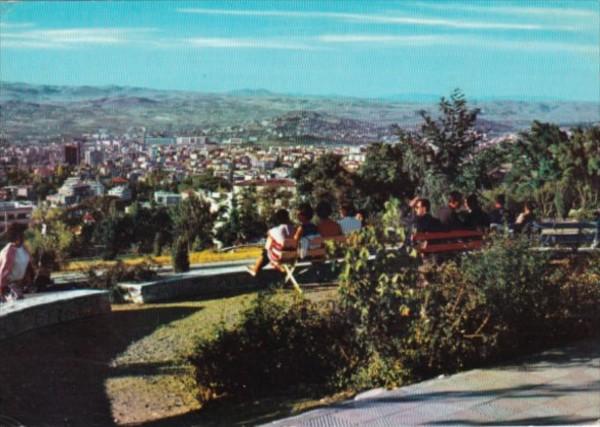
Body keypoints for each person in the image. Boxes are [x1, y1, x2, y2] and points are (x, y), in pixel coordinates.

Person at [246, 209, 295, 277]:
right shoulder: (293, 228)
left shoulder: (275, 230)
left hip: (279, 256)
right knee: (271, 246)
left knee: (267, 248)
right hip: (292, 255)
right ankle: (258, 267)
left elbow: (268, 241)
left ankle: (256, 268)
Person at [0, 223, 34, 302]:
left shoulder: (24, 248)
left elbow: (27, 265)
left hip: (17, 284)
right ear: (14, 236)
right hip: (6, 285)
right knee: (17, 299)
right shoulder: (9, 251)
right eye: (20, 235)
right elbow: (2, 271)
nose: (23, 237)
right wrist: (2, 289)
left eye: (23, 235)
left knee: (20, 300)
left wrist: (29, 281)